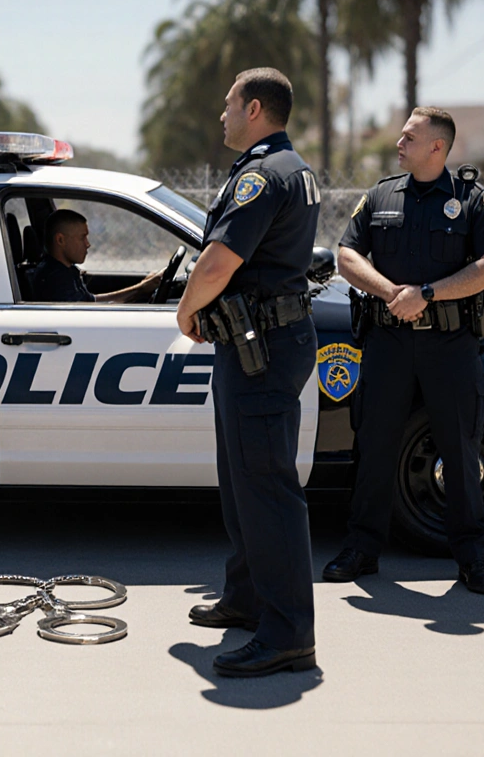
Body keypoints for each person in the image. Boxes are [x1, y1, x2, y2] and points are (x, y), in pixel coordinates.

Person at [324, 107, 484, 595]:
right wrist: (392, 293)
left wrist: (426, 293)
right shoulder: (381, 194)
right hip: (387, 341)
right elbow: (346, 255)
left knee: (460, 449)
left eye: (409, 137)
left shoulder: (471, 199)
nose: (398, 143)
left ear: (437, 147)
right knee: (375, 447)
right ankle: (362, 549)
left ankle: (472, 558)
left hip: (450, 345)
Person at [176, 67, 322, 677]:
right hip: (260, 340)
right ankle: (247, 599)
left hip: (262, 345)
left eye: (229, 105)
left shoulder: (262, 175)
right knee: (242, 481)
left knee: (266, 488)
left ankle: (288, 634)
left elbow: (217, 263)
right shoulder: (290, 168)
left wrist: (186, 310)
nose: (222, 116)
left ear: (255, 108)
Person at [28, 209, 161, 302]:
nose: (87, 244)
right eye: (82, 238)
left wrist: (141, 286)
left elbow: (91, 301)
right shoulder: (54, 278)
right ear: (60, 240)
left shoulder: (66, 270)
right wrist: (140, 289)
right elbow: (89, 310)